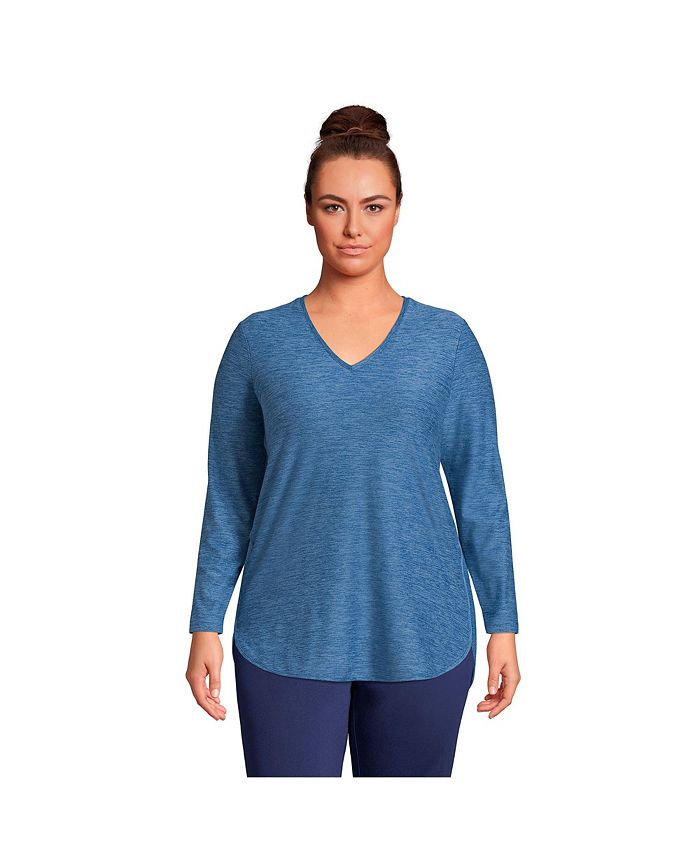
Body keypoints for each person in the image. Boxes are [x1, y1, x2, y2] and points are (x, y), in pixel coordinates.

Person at [185, 105, 521, 777]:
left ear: (398, 211)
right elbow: (231, 495)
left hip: (424, 632)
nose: (354, 227)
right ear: (308, 211)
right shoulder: (258, 342)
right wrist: (205, 622)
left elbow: (480, 489)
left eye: (373, 206)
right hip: (286, 631)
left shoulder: (447, 342)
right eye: (334, 206)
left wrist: (503, 622)